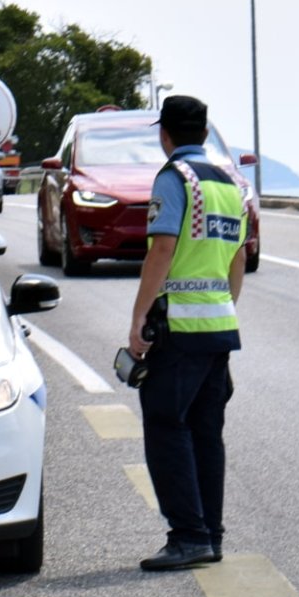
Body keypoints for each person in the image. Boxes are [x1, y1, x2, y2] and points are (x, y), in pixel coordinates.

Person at [127, 95, 247, 571]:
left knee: (164, 425)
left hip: (179, 326)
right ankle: (209, 535)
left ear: (166, 134)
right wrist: (223, 309)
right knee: (205, 432)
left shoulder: (174, 178)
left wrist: (138, 318)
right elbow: (238, 257)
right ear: (204, 131)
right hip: (218, 326)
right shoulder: (230, 181)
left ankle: (188, 535)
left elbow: (162, 250)